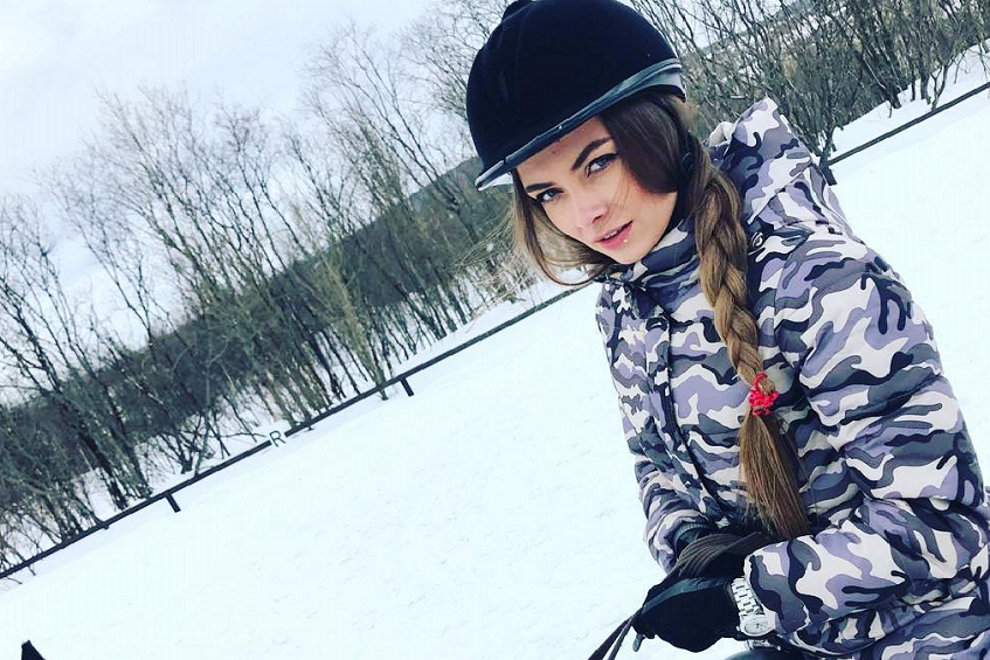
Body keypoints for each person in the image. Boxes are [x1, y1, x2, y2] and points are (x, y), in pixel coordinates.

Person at [464, 0, 990, 658]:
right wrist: (693, 554)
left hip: (933, 632)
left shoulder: (813, 278)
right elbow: (656, 465)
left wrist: (748, 597)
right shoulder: (627, 309)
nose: (584, 213)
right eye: (548, 193)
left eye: (597, 162)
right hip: (804, 643)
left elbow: (943, 523)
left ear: (656, 127)